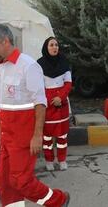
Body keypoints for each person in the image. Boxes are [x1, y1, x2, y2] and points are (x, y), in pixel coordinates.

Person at [0, 24, 70, 207]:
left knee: (21, 181)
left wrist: (38, 135)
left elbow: (40, 102)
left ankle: (58, 200)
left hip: (24, 137)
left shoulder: (29, 66)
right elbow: (2, 101)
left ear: (5, 41)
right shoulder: (1, 67)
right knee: (5, 183)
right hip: (6, 137)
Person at [37, 37, 72, 171]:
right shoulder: (39, 64)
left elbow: (68, 84)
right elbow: (38, 86)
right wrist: (48, 99)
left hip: (61, 104)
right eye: (51, 45)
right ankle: (49, 160)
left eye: (56, 45)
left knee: (62, 135)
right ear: (46, 47)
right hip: (47, 105)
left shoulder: (64, 62)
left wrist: (60, 97)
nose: (54, 47)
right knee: (47, 137)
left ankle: (62, 159)